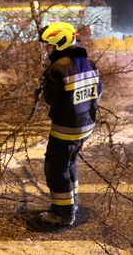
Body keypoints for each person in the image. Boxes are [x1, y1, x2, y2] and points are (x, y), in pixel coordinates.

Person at [34, 22, 102, 226]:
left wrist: (40, 95)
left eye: (49, 45)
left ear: (60, 43)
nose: (46, 49)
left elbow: (50, 99)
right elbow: (98, 93)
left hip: (65, 129)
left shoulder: (57, 68)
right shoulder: (89, 64)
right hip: (86, 125)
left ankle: (62, 214)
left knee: (55, 168)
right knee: (69, 163)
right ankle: (71, 204)